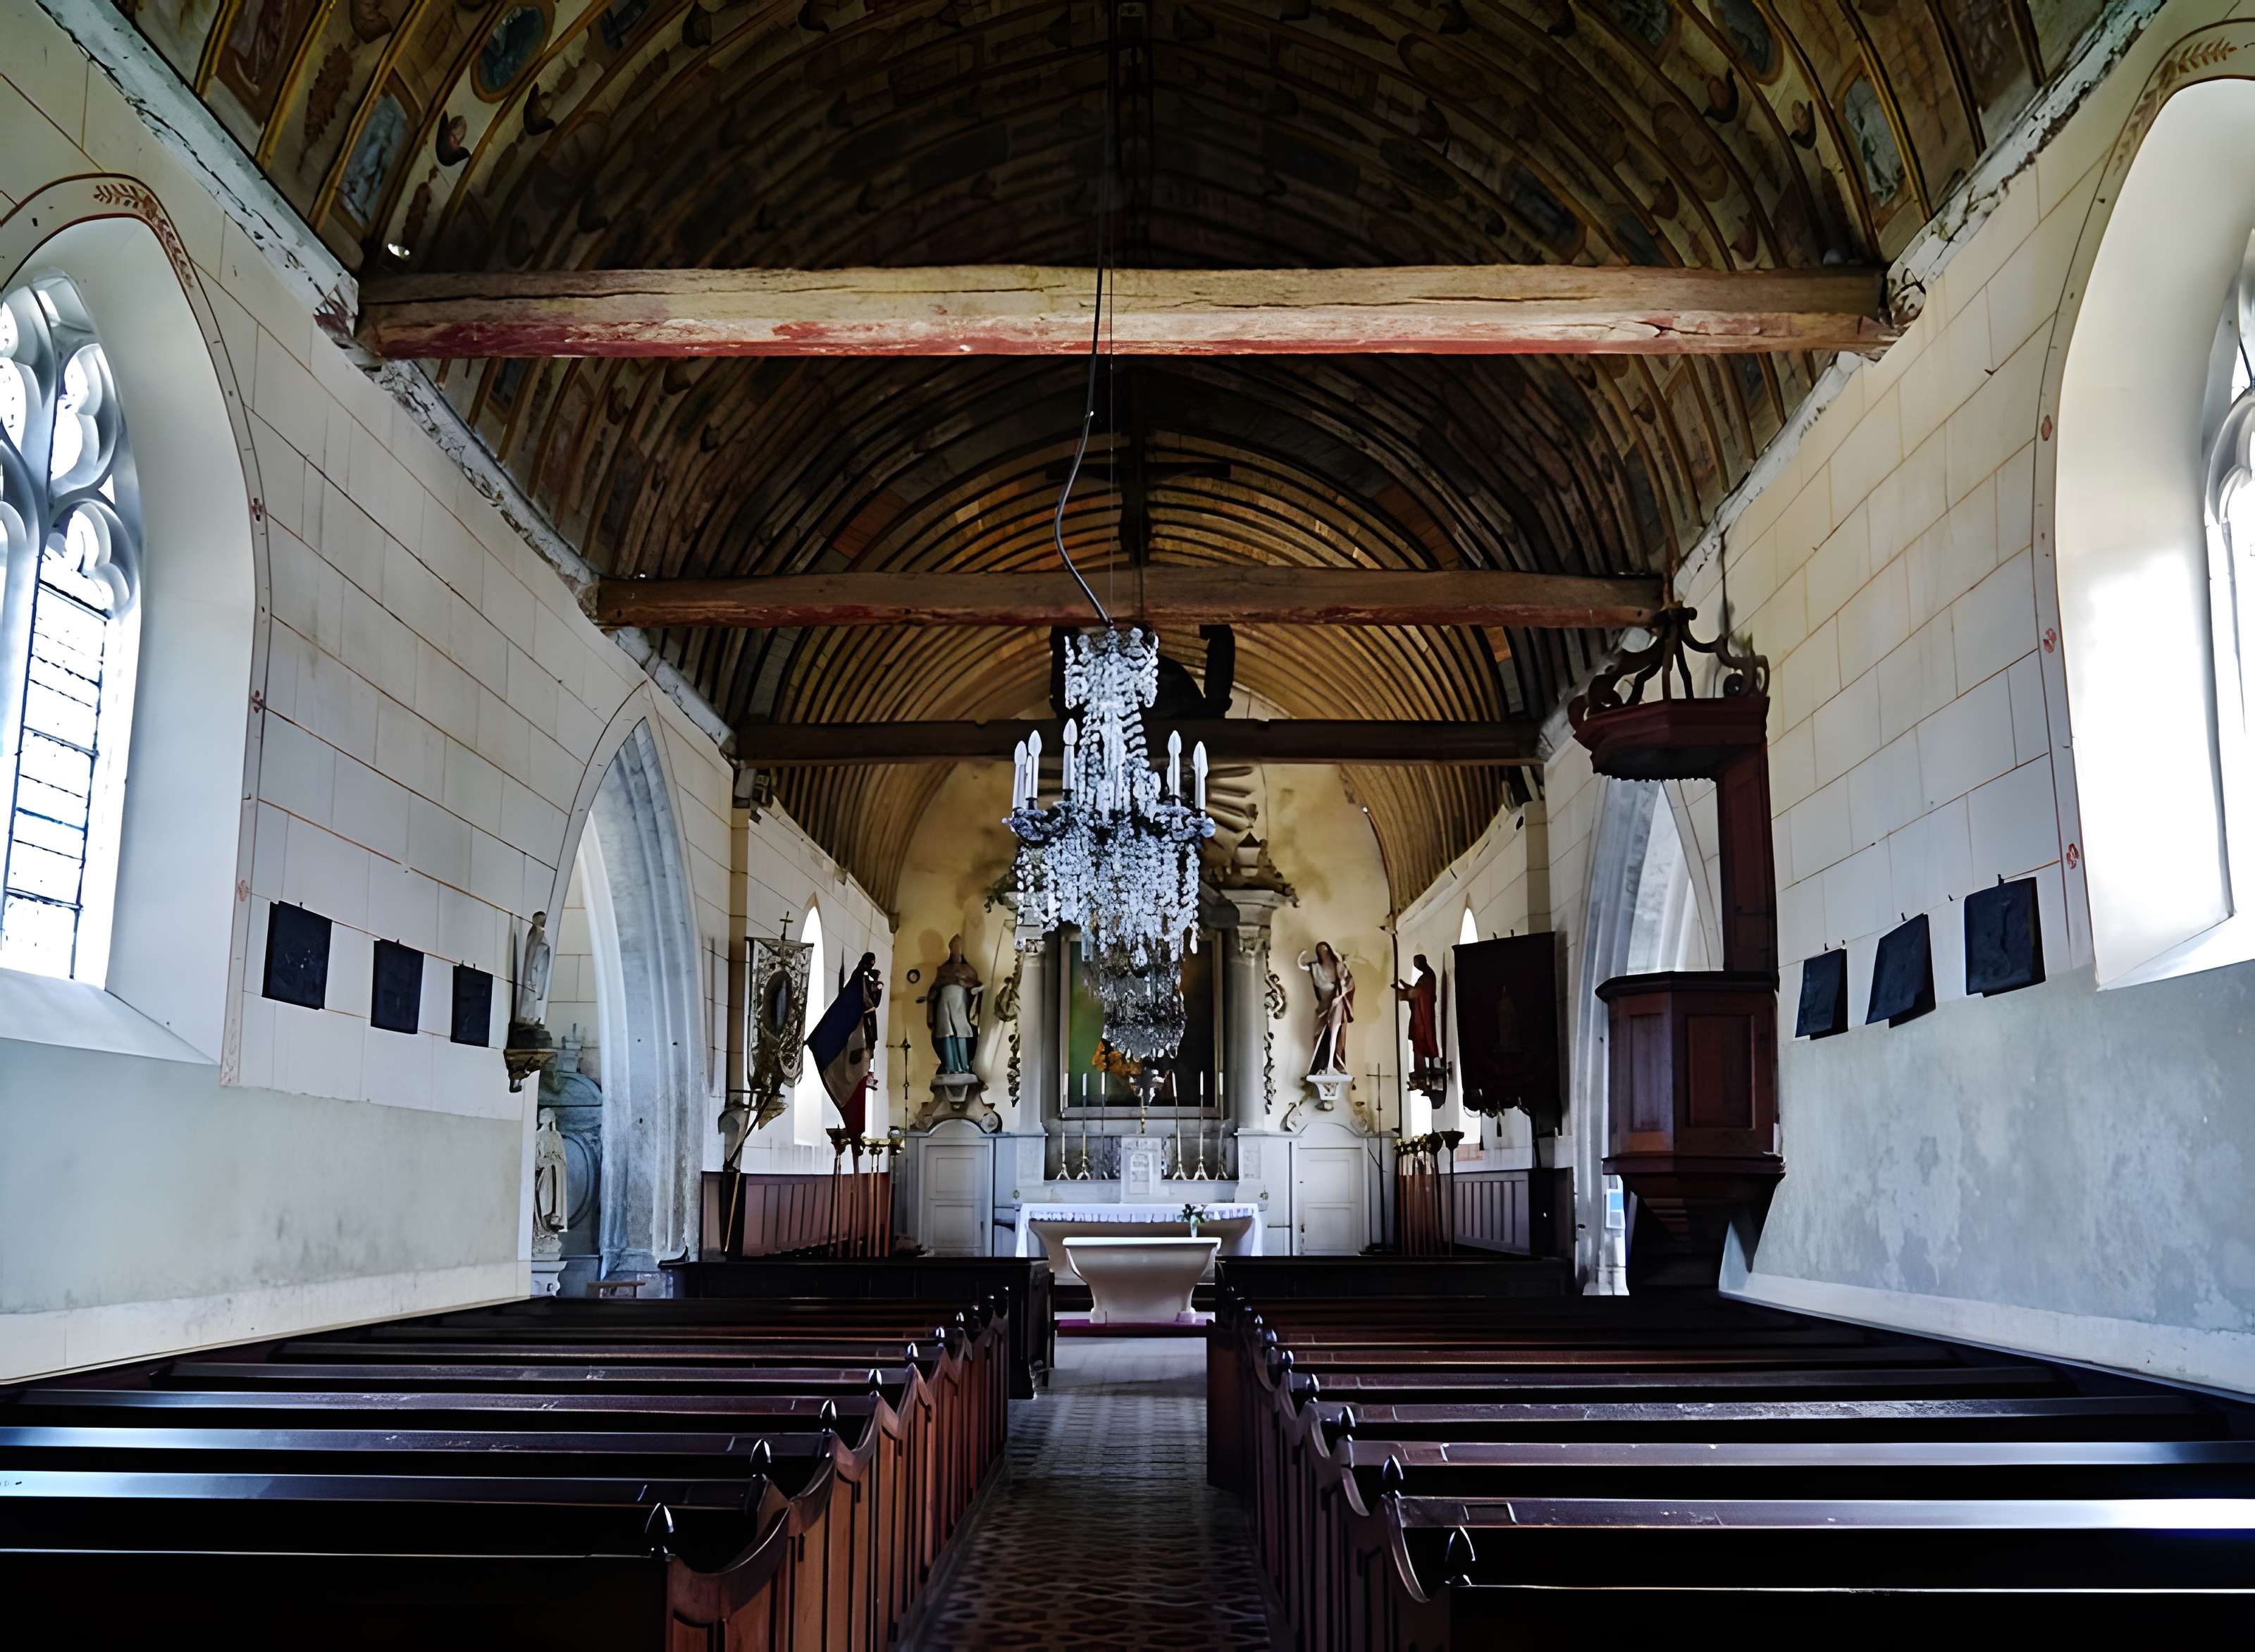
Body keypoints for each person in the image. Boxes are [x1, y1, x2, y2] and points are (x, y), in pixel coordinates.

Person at [807, 952, 883, 1134]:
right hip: (862, 1022)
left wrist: (876, 985)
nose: (871, 966)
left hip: (869, 1022)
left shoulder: (869, 982)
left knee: (869, 1047)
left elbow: (875, 1001)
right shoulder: (859, 982)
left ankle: (869, 1070)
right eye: (869, 963)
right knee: (862, 1049)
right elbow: (849, 1005)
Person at [1299, 941, 1355, 1076]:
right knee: (1319, 1033)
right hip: (1323, 1005)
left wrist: (1341, 989)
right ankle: (1321, 1064)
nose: (1323, 953)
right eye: (1320, 951)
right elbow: (1302, 966)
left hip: (1336, 1002)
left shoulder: (1337, 966)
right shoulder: (1316, 968)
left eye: (1325, 950)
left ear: (1329, 951)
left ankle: (1333, 1064)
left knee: (1335, 1032)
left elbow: (1347, 980)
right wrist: (1301, 957)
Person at [927, 935, 983, 1073]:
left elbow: (976, 986)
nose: (957, 956)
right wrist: (933, 994)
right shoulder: (943, 970)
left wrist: (967, 984)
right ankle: (950, 1066)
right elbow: (936, 986)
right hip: (944, 1006)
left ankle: (964, 1066)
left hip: (961, 1005)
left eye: (959, 952)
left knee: (962, 1033)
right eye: (954, 952)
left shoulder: (968, 969)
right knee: (947, 1033)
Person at [1396, 953, 1440, 1077]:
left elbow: (1418, 993)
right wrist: (1404, 986)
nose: (1416, 967)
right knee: (1417, 1042)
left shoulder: (1428, 977)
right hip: (1419, 1014)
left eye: (1416, 964)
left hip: (1423, 1015)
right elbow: (1416, 991)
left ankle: (1424, 1070)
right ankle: (1420, 1069)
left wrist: (1403, 992)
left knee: (1421, 1040)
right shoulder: (1425, 976)